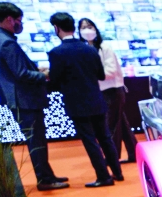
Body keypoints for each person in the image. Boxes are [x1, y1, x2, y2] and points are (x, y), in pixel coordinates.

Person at [0, 2, 68, 191]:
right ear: (9, 19)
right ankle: (45, 180)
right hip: (25, 99)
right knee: (36, 141)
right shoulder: (6, 42)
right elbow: (22, 74)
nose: (20, 24)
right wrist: (45, 75)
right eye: (18, 21)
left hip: (18, 99)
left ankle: (47, 175)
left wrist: (36, 69)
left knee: (36, 140)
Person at [47, 12, 122, 187]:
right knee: (105, 137)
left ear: (56, 28)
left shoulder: (56, 53)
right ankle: (117, 173)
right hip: (96, 99)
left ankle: (104, 177)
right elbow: (101, 75)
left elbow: (55, 81)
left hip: (76, 103)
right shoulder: (89, 49)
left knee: (90, 140)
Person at [78, 18, 136, 165]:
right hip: (100, 91)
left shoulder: (105, 47)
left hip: (113, 90)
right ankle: (134, 152)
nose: (86, 30)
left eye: (89, 26)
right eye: (83, 27)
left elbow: (110, 71)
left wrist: (90, 75)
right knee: (121, 124)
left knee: (111, 126)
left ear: (95, 28)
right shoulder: (85, 49)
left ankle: (112, 158)